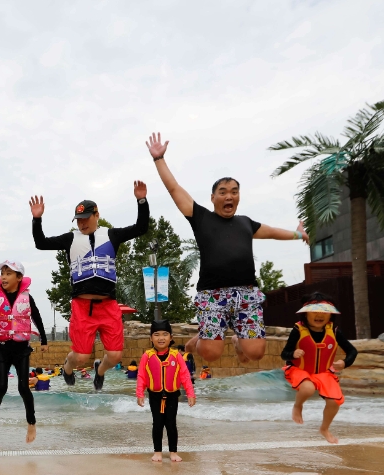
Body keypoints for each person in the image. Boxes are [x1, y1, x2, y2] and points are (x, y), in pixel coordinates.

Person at [145, 133, 309, 365]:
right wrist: (159, 159)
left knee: (256, 353)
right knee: (211, 354)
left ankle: (234, 340)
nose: (229, 196)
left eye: (234, 191)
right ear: (213, 198)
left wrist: (299, 234)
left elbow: (272, 231)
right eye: (223, 192)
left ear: (239, 196)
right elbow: (174, 189)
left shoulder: (245, 223)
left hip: (246, 294)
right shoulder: (201, 218)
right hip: (212, 295)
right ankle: (199, 340)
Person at [31, 180, 149, 391]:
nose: (82, 224)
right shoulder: (70, 239)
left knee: (114, 356)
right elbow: (41, 243)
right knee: (81, 356)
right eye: (78, 220)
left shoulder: (112, 235)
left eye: (86, 218)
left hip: (108, 305)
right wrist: (37, 219)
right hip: (82, 307)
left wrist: (141, 200)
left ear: (97, 215)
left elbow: (141, 227)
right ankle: (67, 367)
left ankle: (100, 370)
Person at [0, 260, 48, 443]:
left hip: (21, 350)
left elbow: (36, 317)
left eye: (8, 273)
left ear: (19, 278)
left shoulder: (27, 297)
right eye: (2, 273)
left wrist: (43, 339)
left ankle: (31, 423)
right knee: (1, 387)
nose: (3, 277)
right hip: (2, 349)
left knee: (23, 388)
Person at [281, 293, 358, 444]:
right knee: (308, 389)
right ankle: (298, 406)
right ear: (306, 313)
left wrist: (344, 362)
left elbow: (352, 351)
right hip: (300, 370)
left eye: (324, 312)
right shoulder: (298, 330)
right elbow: (284, 354)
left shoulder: (335, 331)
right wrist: (293, 354)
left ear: (331, 315)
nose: (319, 315)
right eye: (314, 311)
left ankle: (324, 428)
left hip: (324, 373)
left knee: (334, 402)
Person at [136, 320, 195, 463]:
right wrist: (140, 393)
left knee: (171, 423)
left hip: (172, 395)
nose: (161, 338)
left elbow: (185, 375)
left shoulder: (176, 356)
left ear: (171, 337)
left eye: (165, 334)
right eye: (156, 335)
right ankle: (157, 452)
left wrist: (190, 393)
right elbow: (142, 375)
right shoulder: (147, 356)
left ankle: (173, 452)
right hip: (155, 395)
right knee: (157, 423)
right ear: (151, 338)